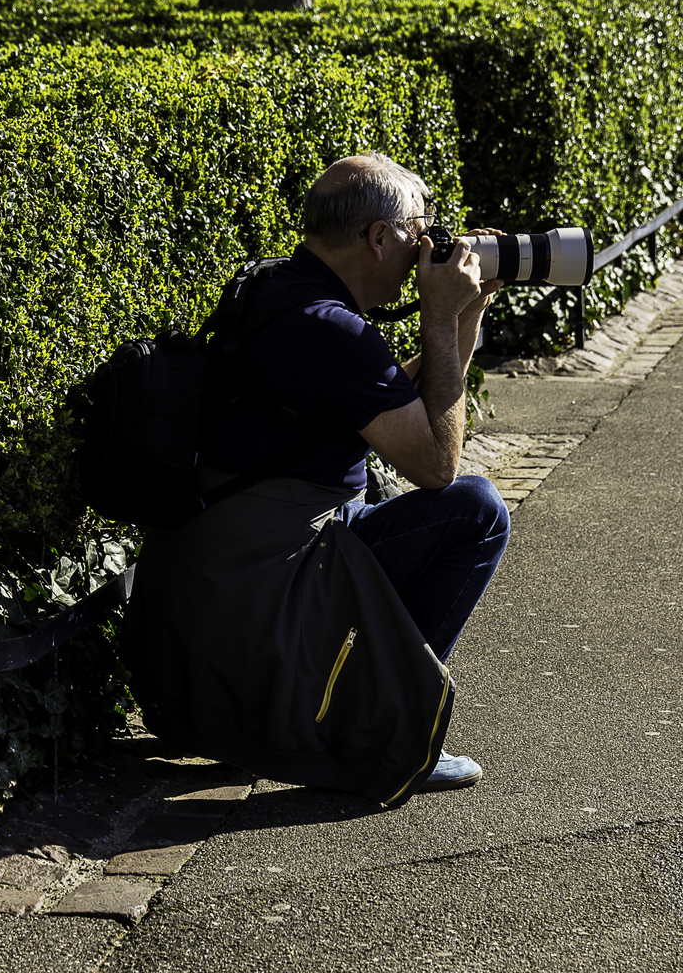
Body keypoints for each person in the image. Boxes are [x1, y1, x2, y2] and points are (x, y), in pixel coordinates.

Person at [122, 152, 510, 807]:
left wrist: (464, 312)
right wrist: (439, 318)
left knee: (430, 507)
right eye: (420, 229)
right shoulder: (330, 330)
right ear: (380, 238)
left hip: (211, 600)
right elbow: (435, 463)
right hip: (257, 598)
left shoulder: (281, 289)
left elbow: (396, 408)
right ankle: (392, 727)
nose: (427, 245)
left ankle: (376, 698)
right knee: (475, 509)